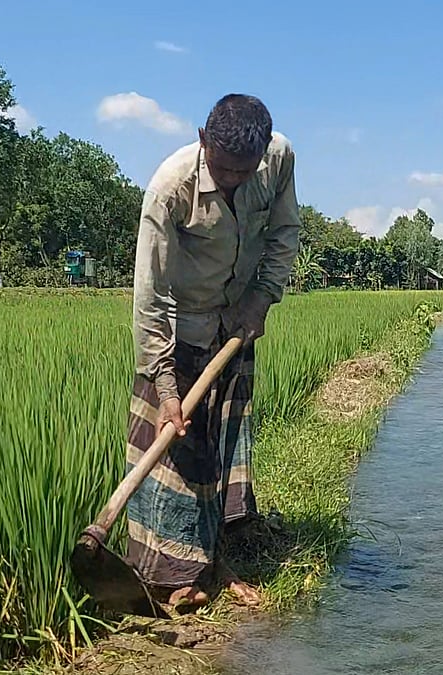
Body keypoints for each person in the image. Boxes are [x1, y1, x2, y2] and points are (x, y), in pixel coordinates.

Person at [125, 93, 301, 610]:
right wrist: (165, 388)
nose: (232, 182)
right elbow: (149, 295)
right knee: (176, 453)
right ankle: (167, 573)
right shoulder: (169, 189)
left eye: (244, 173)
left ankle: (216, 559)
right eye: (223, 170)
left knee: (219, 448)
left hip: (235, 323)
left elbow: (284, 232)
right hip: (180, 327)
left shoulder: (279, 159)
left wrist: (263, 297)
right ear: (203, 142)